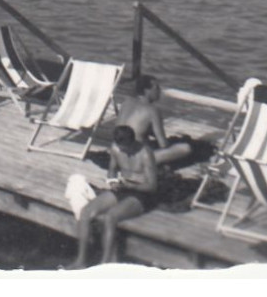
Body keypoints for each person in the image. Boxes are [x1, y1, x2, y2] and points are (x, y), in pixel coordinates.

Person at [73, 125, 159, 268]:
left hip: (142, 193)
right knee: (86, 212)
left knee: (110, 217)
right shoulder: (115, 148)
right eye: (121, 148)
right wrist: (112, 182)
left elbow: (152, 186)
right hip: (123, 187)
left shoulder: (145, 154)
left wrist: (133, 186)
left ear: (133, 142)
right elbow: (112, 170)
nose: (125, 152)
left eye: (127, 148)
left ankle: (105, 264)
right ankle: (81, 261)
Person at [117, 75, 193, 166]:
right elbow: (163, 144)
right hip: (136, 159)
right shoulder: (152, 110)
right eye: (156, 88)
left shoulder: (126, 103)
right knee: (186, 148)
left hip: (118, 152)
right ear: (146, 90)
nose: (159, 91)